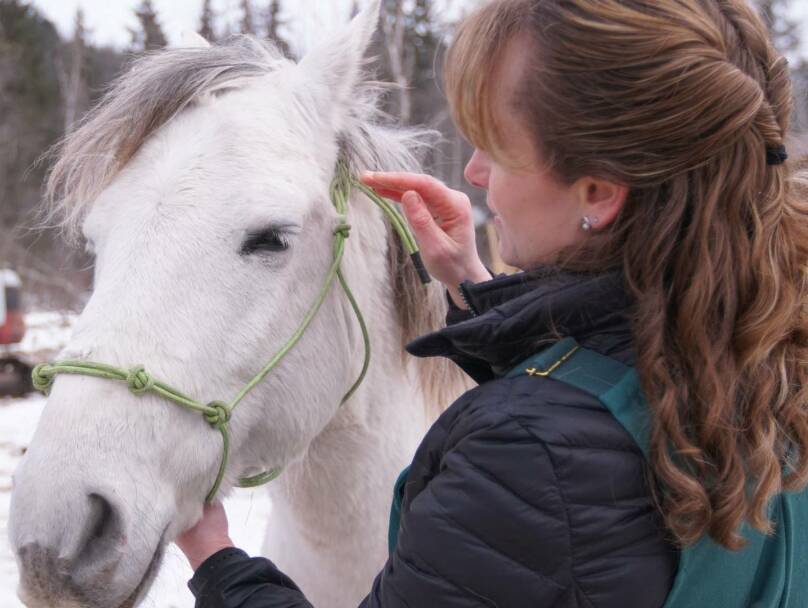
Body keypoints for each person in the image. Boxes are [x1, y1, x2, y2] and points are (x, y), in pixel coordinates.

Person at [175, 0, 808, 606]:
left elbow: (562, 472)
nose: (474, 173)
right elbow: (609, 405)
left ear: (598, 192)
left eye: (498, 148)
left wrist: (216, 559)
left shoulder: (528, 455)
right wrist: (474, 287)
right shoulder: (765, 345)